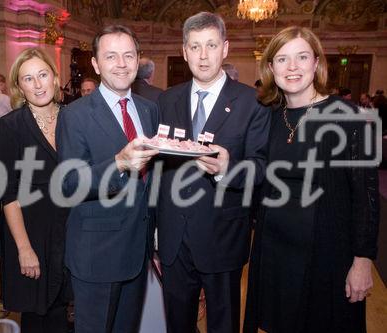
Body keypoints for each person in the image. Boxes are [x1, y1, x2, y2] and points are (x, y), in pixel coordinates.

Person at [244, 26, 379, 333]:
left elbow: (367, 197)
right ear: (270, 68)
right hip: (275, 254)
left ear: (316, 63)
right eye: (282, 59)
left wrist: (362, 261)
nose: (292, 67)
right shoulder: (269, 116)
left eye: (301, 57)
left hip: (327, 257)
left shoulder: (351, 117)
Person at [157, 12, 270, 333]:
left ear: (225, 48)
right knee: (177, 325)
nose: (203, 55)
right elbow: (159, 171)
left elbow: (261, 168)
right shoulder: (167, 100)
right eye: (195, 47)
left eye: (211, 45)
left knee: (223, 325)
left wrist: (226, 170)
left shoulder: (253, 102)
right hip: (173, 239)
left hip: (223, 236)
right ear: (184, 51)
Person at [56, 25, 159, 333]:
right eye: (111, 56)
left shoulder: (149, 110)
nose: (122, 63)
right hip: (97, 255)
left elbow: (151, 179)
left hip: (138, 251)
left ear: (138, 60)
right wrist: (117, 163)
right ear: (97, 64)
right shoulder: (75, 115)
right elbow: (69, 184)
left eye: (129, 55)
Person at [0, 47, 70, 333]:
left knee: (68, 315)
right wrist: (24, 249)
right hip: (33, 235)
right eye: (28, 79)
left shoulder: (74, 118)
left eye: (42, 75)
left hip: (71, 233)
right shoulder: (10, 126)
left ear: (54, 77)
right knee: (39, 319)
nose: (38, 84)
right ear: (19, 86)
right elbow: (7, 192)